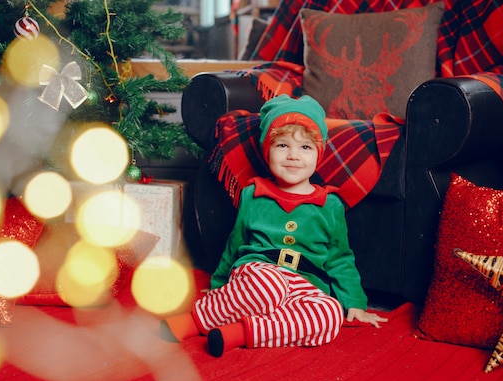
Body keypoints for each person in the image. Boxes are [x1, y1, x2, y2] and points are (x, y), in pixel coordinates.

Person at [161, 94, 387, 357]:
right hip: (258, 274)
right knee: (269, 286)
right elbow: (235, 243)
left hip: (305, 283)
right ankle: (198, 319)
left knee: (330, 314)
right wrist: (219, 284)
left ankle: (240, 333)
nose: (293, 156)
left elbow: (340, 258)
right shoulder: (253, 194)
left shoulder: (329, 204)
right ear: (267, 149)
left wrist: (355, 302)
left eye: (305, 148)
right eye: (282, 145)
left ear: (318, 153)